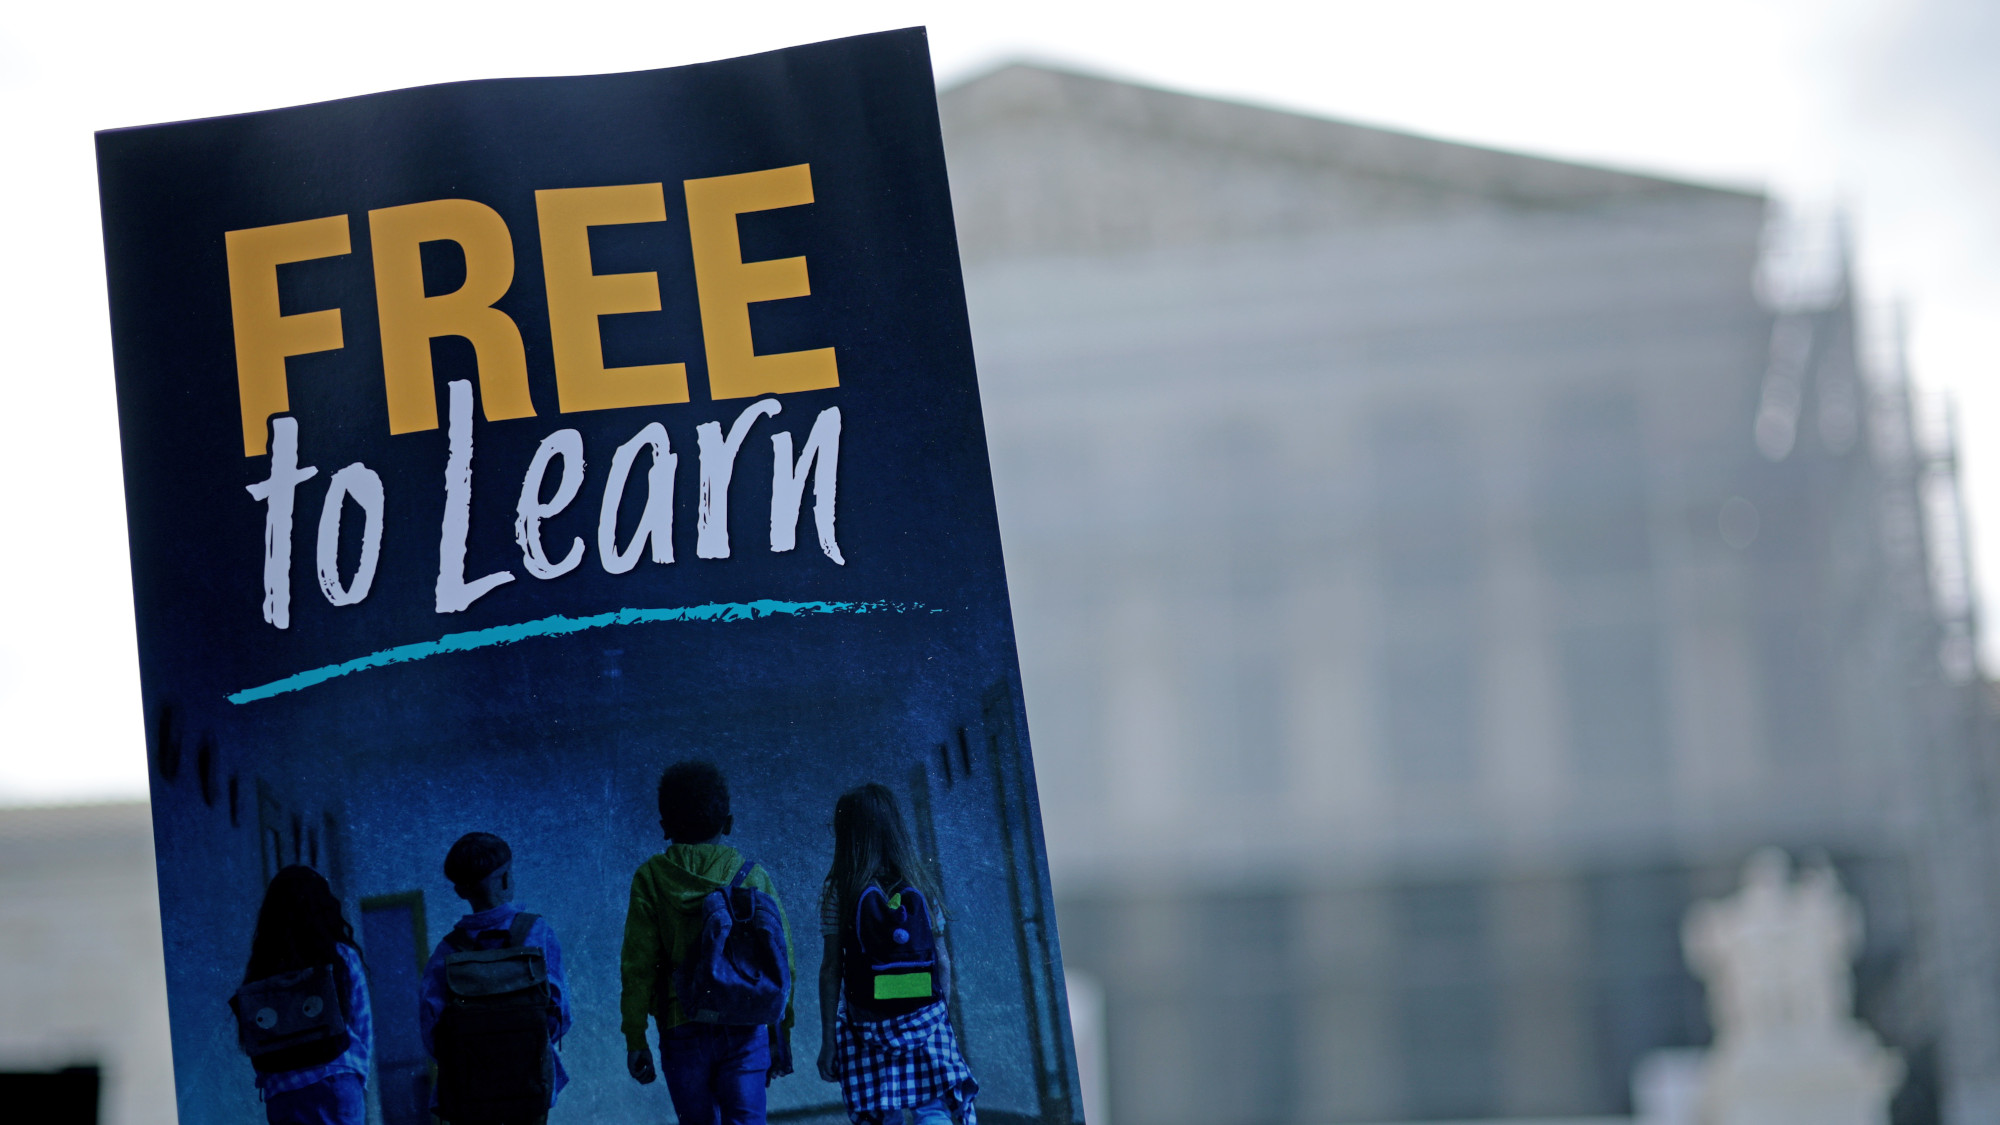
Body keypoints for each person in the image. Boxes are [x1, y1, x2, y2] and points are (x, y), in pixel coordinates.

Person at [622, 760, 795, 1124]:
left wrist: (635, 1038)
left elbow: (637, 967)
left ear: (664, 827)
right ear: (728, 823)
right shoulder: (752, 876)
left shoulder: (650, 879)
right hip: (745, 1022)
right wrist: (781, 1031)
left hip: (680, 1025)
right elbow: (783, 961)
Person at [817, 783, 978, 1125]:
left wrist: (828, 1041)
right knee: (932, 1108)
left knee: (880, 1112)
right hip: (924, 1017)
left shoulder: (840, 890)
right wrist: (940, 1020)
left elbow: (831, 968)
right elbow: (942, 961)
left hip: (867, 1025)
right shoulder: (920, 883)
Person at [418, 832, 572, 1125]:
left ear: (460, 891)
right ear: (504, 878)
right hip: (530, 1084)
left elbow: (431, 1032)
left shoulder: (446, 952)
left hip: (470, 1092)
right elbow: (561, 1013)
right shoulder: (537, 932)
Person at [237, 865, 373, 1125]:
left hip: (283, 1091)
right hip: (336, 1080)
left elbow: (256, 1037)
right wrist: (357, 1075)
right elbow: (362, 1025)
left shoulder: (264, 966)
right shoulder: (341, 956)